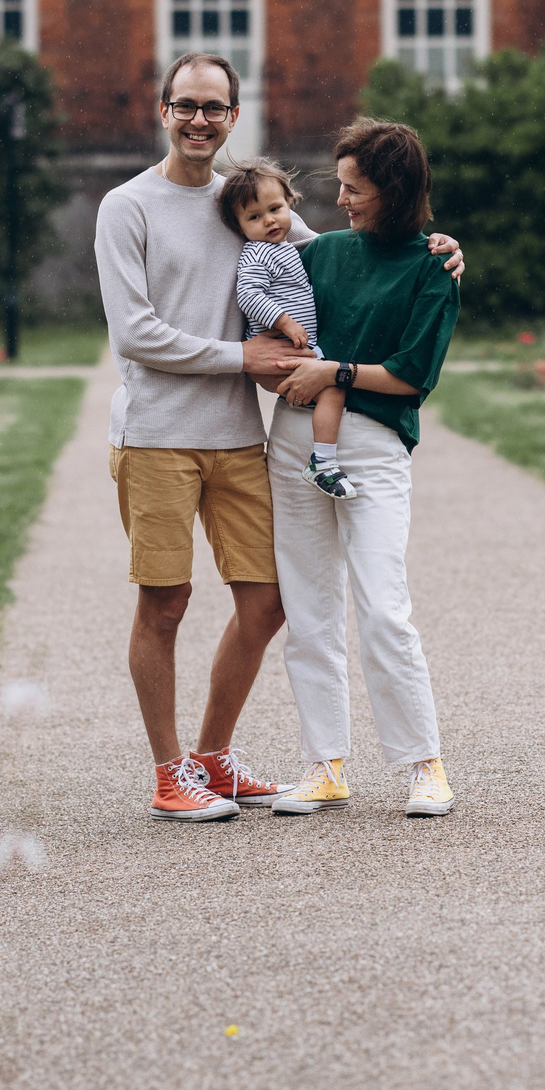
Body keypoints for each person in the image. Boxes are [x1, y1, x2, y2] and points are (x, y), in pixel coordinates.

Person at [94, 55, 460, 824]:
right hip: (159, 435)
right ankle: (178, 774)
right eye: (186, 105)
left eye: (215, 108)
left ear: (234, 116)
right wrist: (248, 356)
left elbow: (351, 254)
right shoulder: (125, 207)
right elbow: (134, 333)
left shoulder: (250, 200)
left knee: (271, 606)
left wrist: (442, 249)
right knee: (167, 605)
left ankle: (216, 759)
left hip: (238, 440)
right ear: (163, 109)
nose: (200, 119)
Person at [267, 119, 462, 819]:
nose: (341, 199)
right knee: (310, 612)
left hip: (375, 450)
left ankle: (424, 765)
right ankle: (324, 765)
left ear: (396, 189)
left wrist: (336, 370)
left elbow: (413, 375)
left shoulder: (434, 268)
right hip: (292, 445)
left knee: (384, 608)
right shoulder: (322, 256)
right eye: (339, 186)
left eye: (356, 189)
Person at [219, 159, 358, 500]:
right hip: (277, 350)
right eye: (254, 217)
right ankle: (323, 464)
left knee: (327, 389)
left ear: (290, 204)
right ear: (239, 226)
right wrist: (284, 322)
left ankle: (317, 454)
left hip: (293, 349)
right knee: (333, 388)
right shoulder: (256, 254)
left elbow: (335, 247)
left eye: (275, 209)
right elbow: (249, 296)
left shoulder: (284, 248)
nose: (268, 221)